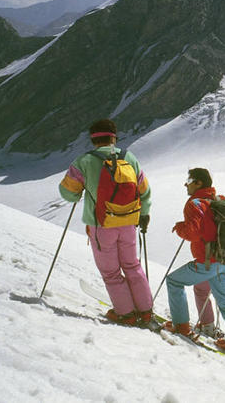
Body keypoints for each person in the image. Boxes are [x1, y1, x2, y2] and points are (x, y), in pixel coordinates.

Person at [58, 119, 153, 325]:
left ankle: (126, 313)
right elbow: (144, 190)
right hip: (128, 223)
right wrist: (144, 214)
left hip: (101, 225)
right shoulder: (129, 157)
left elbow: (68, 193)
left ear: (93, 140)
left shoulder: (84, 161)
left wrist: (82, 190)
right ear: (114, 138)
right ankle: (146, 311)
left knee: (111, 272)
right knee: (132, 265)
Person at [164, 168, 225, 356]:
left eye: (189, 181)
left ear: (198, 183)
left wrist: (180, 228)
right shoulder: (221, 200)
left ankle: (181, 325)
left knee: (174, 281)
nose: (186, 184)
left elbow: (193, 232)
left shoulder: (194, 204)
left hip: (207, 261)